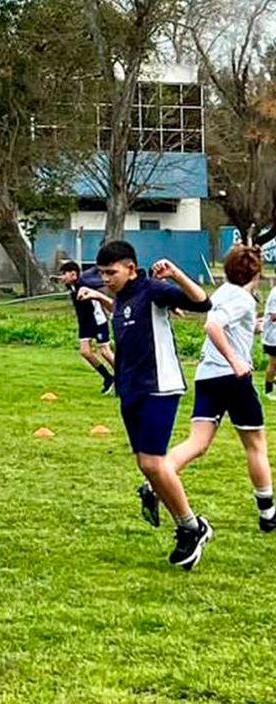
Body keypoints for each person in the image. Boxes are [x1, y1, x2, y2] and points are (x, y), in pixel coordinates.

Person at [83, 240, 215, 569]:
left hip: (160, 387)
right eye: (101, 274)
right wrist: (100, 295)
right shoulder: (123, 295)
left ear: (131, 268)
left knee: (154, 464)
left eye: (110, 273)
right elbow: (127, 316)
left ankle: (192, 527)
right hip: (131, 390)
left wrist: (176, 274)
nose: (106, 278)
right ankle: (186, 526)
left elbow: (203, 303)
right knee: (146, 465)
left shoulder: (154, 288)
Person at [161, 246, 274, 534]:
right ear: (257, 273)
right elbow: (213, 326)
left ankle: (155, 481)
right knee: (256, 445)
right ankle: (268, 514)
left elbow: (226, 322)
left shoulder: (223, 293)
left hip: (206, 376)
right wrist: (236, 361)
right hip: (232, 379)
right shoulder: (243, 299)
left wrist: (256, 327)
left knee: (197, 443)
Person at [60, 260, 116, 394]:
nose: (62, 277)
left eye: (64, 274)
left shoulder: (84, 283)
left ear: (74, 274)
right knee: (85, 352)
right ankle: (108, 378)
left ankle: (127, 377)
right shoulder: (71, 286)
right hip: (84, 323)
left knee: (105, 352)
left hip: (97, 321)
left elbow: (98, 283)